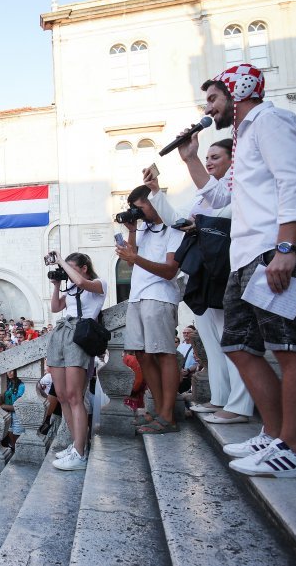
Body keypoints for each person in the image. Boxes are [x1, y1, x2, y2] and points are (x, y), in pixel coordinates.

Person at [186, 64, 296, 478]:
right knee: (240, 347)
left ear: (240, 90)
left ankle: (295, 451)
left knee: (289, 348)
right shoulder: (241, 139)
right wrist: (191, 157)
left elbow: (295, 183)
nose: (208, 107)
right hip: (247, 258)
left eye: (213, 97)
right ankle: (273, 433)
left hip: (276, 250)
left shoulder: (272, 120)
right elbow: (215, 196)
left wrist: (286, 246)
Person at [147, 139, 255, 425]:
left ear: (232, 160)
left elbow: (231, 215)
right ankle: (221, 397)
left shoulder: (239, 185)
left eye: (215, 157)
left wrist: (201, 224)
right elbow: (175, 218)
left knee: (230, 335)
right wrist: (156, 191)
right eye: (206, 157)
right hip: (205, 269)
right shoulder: (202, 196)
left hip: (227, 267)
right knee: (210, 336)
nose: (209, 162)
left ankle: (241, 403)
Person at [116, 184, 184, 435]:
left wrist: (136, 259)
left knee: (164, 353)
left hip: (160, 296)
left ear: (154, 202)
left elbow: (169, 271)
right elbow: (130, 260)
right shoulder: (142, 228)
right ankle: (158, 410)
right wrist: (133, 232)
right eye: (133, 208)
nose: (137, 212)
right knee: (143, 354)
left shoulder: (174, 227)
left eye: (140, 206)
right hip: (137, 296)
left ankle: (168, 415)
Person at [45, 252, 107, 469]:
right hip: (62, 332)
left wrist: (61, 261)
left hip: (80, 334)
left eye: (71, 268)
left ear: (84, 267)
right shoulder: (70, 287)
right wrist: (56, 285)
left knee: (74, 396)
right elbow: (55, 308)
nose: (67, 273)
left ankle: (80, 452)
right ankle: (75, 445)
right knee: (62, 395)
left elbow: (81, 282)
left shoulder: (98, 283)